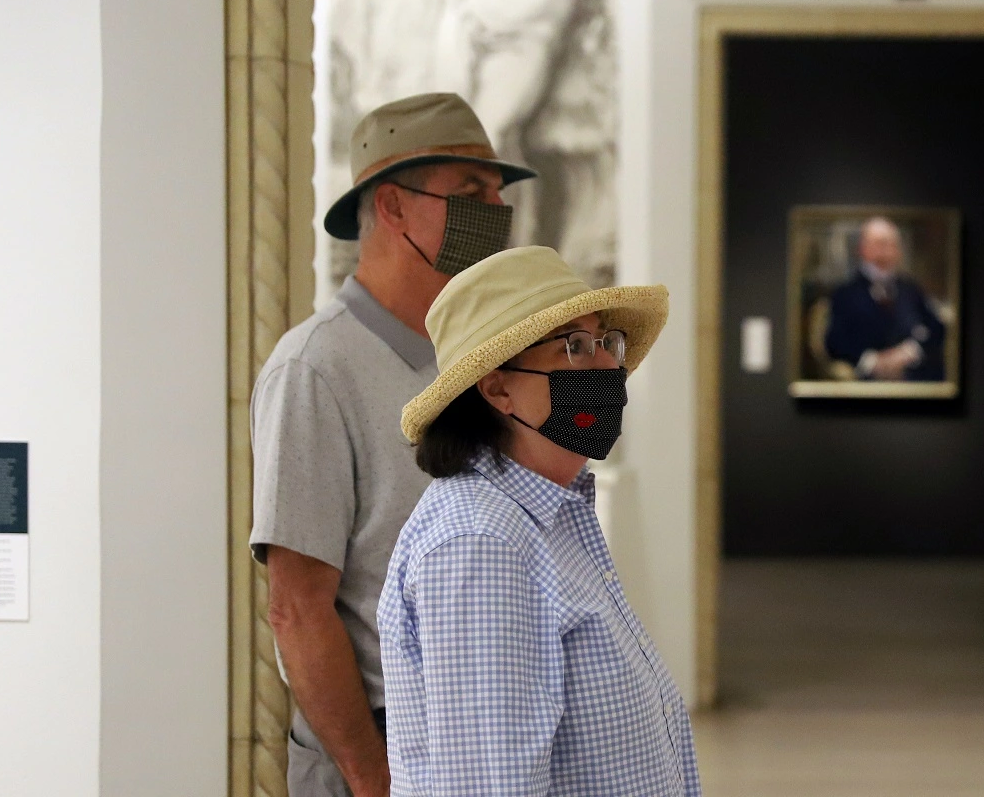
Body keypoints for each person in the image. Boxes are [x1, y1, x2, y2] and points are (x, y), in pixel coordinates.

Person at [250, 92, 536, 797]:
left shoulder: (480, 357)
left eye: (498, 191)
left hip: (485, 737)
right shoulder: (315, 367)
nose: (494, 210)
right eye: (471, 190)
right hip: (382, 743)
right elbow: (297, 607)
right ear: (392, 207)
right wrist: (375, 780)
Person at [379, 245, 700, 795]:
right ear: (497, 387)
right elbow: (488, 786)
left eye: (606, 342)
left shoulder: (548, 515)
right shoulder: (481, 544)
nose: (606, 365)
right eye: (573, 346)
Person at [822, 216, 948, 381]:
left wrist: (910, 351)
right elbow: (835, 341)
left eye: (892, 245)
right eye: (880, 244)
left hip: (913, 379)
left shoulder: (910, 289)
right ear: (863, 248)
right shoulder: (846, 293)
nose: (887, 251)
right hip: (866, 383)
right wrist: (873, 361)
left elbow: (936, 328)